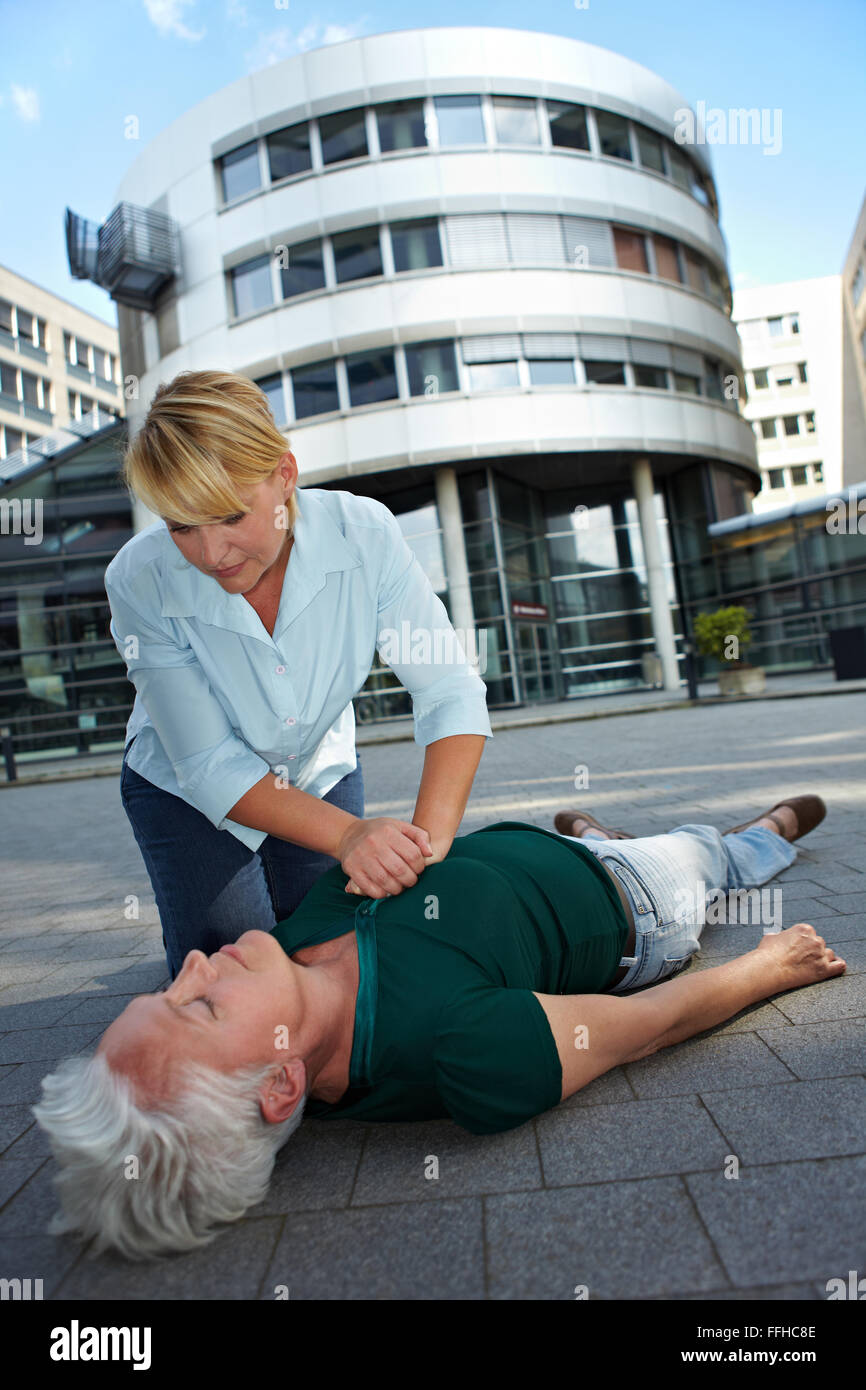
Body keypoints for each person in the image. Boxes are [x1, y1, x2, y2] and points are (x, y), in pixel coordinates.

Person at [33, 792, 844, 1261]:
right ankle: (760, 833)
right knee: (710, 859)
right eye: (201, 1008)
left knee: (635, 846)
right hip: (636, 903)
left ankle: (599, 832)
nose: (194, 968)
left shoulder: (277, 956)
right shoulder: (467, 1055)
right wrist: (767, 969)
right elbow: (647, 1026)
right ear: (281, 1083)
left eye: (171, 988)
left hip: (530, 847)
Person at [105, 369, 491, 978]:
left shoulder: (365, 535)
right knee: (236, 973)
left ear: (283, 476)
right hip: (185, 790)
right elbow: (209, 764)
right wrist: (349, 838)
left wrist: (427, 848)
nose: (212, 555)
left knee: (333, 957)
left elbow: (448, 688)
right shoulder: (137, 579)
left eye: (230, 516)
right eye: (182, 526)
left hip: (318, 769)